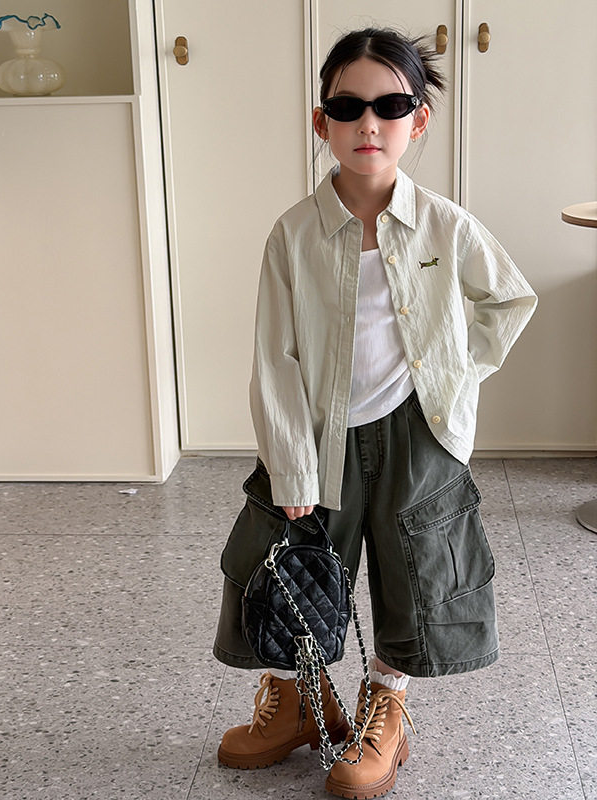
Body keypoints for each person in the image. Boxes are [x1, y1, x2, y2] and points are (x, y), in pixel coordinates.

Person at [213, 27, 537, 798]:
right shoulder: (294, 234)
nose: (369, 123)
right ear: (320, 121)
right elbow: (275, 357)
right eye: (348, 107)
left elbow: (508, 300)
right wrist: (290, 462)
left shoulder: (445, 226)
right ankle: (299, 700)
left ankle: (386, 704)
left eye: (391, 106)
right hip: (315, 436)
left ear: (417, 120)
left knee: (414, 568)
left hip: (415, 431)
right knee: (289, 563)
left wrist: (454, 372)